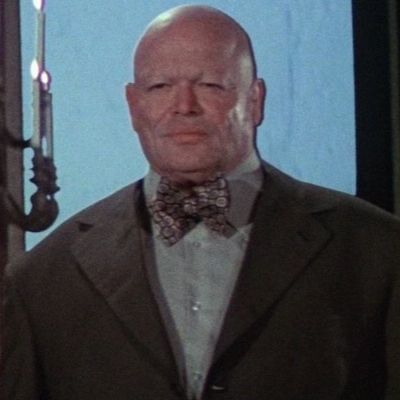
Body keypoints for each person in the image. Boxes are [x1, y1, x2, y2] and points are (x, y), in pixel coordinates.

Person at [1, 5, 400, 400]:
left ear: (256, 100)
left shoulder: (377, 250)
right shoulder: (42, 279)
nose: (184, 105)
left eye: (210, 85)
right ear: (134, 106)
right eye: (160, 87)